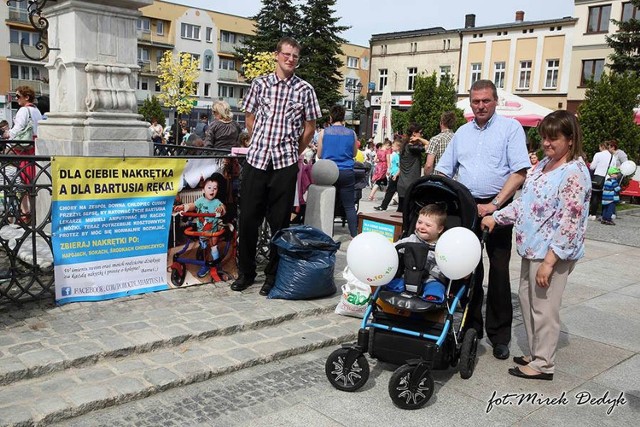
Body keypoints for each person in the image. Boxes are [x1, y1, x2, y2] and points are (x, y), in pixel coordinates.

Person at [481, 110, 591, 380]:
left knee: (544, 308)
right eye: (544, 138)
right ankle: (535, 352)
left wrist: (551, 261)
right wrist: (497, 217)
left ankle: (543, 364)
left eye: (553, 139)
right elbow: (525, 204)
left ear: (570, 139)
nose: (546, 144)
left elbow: (570, 221)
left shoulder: (574, 172)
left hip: (551, 253)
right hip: (532, 248)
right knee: (530, 302)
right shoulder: (543, 166)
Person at [436, 79, 530, 360]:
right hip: (466, 207)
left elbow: (519, 172)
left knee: (499, 271)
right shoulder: (462, 133)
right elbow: (443, 170)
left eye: (486, 101)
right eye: (475, 101)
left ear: (495, 101)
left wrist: (495, 205)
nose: (480, 106)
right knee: (467, 269)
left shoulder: (510, 129)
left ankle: (500, 335)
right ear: (470, 102)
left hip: (498, 206)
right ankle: (470, 327)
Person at [232, 36, 321, 296]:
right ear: (276, 55)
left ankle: (273, 275)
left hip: (284, 163)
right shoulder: (259, 84)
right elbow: (249, 117)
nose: (290, 59)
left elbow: (310, 127)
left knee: (279, 222)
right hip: (257, 160)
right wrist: (261, 140)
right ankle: (246, 272)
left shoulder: (305, 90)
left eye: (295, 56)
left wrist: (295, 150)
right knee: (248, 219)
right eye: (286, 54)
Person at [2, 85, 43, 223]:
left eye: (18, 96)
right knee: (33, 181)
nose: (16, 99)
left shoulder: (23, 110)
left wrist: (8, 135)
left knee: (23, 181)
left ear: (27, 97)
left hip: (24, 148)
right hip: (34, 146)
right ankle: (35, 212)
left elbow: (18, 129)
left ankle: (26, 214)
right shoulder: (36, 110)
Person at [317, 104, 359, 237]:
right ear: (343, 117)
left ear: (330, 117)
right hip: (346, 171)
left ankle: (326, 233)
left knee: (328, 204)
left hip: (329, 171)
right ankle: (354, 234)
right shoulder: (352, 133)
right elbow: (354, 153)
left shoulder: (324, 132)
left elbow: (319, 155)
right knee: (349, 206)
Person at [174, 176, 226, 278]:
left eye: (215, 188)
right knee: (204, 249)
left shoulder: (217, 202)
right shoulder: (200, 201)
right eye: (209, 187)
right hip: (202, 231)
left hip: (213, 230)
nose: (212, 190)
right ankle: (206, 265)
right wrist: (183, 207)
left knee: (214, 245)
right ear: (203, 189)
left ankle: (216, 265)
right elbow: (192, 205)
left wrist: (221, 209)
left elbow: (224, 208)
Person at [394, 203, 448, 302]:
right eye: (419, 222)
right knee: (394, 283)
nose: (421, 227)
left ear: (440, 229)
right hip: (408, 278)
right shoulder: (410, 240)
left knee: (436, 288)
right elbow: (394, 248)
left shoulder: (443, 246)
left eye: (428, 225)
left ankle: (432, 296)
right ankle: (395, 288)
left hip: (432, 279)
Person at [396, 124, 428, 212]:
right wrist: (419, 139)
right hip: (410, 184)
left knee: (401, 211)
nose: (422, 135)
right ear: (414, 133)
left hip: (402, 184)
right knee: (409, 212)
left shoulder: (405, 146)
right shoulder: (411, 147)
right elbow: (429, 146)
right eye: (420, 133)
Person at [424, 111, 456, 176]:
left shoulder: (435, 139)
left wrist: (426, 176)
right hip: (455, 181)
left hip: (439, 180)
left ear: (441, 123)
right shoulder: (457, 138)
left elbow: (429, 165)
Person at [588, 142, 615, 220]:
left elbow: (592, 167)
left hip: (598, 178)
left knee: (595, 196)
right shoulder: (612, 157)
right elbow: (613, 169)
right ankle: (604, 214)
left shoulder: (598, 155)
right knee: (605, 197)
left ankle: (593, 214)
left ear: (602, 147)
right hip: (608, 179)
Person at [374, 138, 401, 211]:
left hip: (395, 175)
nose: (392, 147)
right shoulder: (396, 155)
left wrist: (395, 175)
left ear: (398, 147)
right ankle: (385, 206)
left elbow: (400, 167)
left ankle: (384, 206)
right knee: (393, 191)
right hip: (394, 174)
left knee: (391, 191)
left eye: (393, 146)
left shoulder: (397, 156)